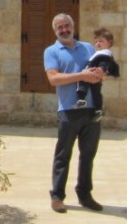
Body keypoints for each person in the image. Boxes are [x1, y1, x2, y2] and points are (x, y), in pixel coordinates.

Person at [44, 13, 106, 214]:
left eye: (67, 26)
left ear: (73, 27)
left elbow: (100, 71)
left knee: (88, 155)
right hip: (68, 111)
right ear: (55, 31)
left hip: (91, 110)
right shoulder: (51, 51)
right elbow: (53, 79)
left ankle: (85, 195)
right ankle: (57, 196)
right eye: (60, 27)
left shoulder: (88, 48)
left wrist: (101, 74)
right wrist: (81, 75)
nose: (64, 30)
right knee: (63, 155)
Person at [74, 28, 121, 122]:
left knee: (81, 80)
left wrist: (101, 69)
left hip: (92, 72)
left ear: (109, 43)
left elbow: (104, 63)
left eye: (101, 41)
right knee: (96, 93)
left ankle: (81, 98)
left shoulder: (104, 53)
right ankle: (98, 110)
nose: (98, 43)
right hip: (96, 75)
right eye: (96, 42)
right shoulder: (100, 53)